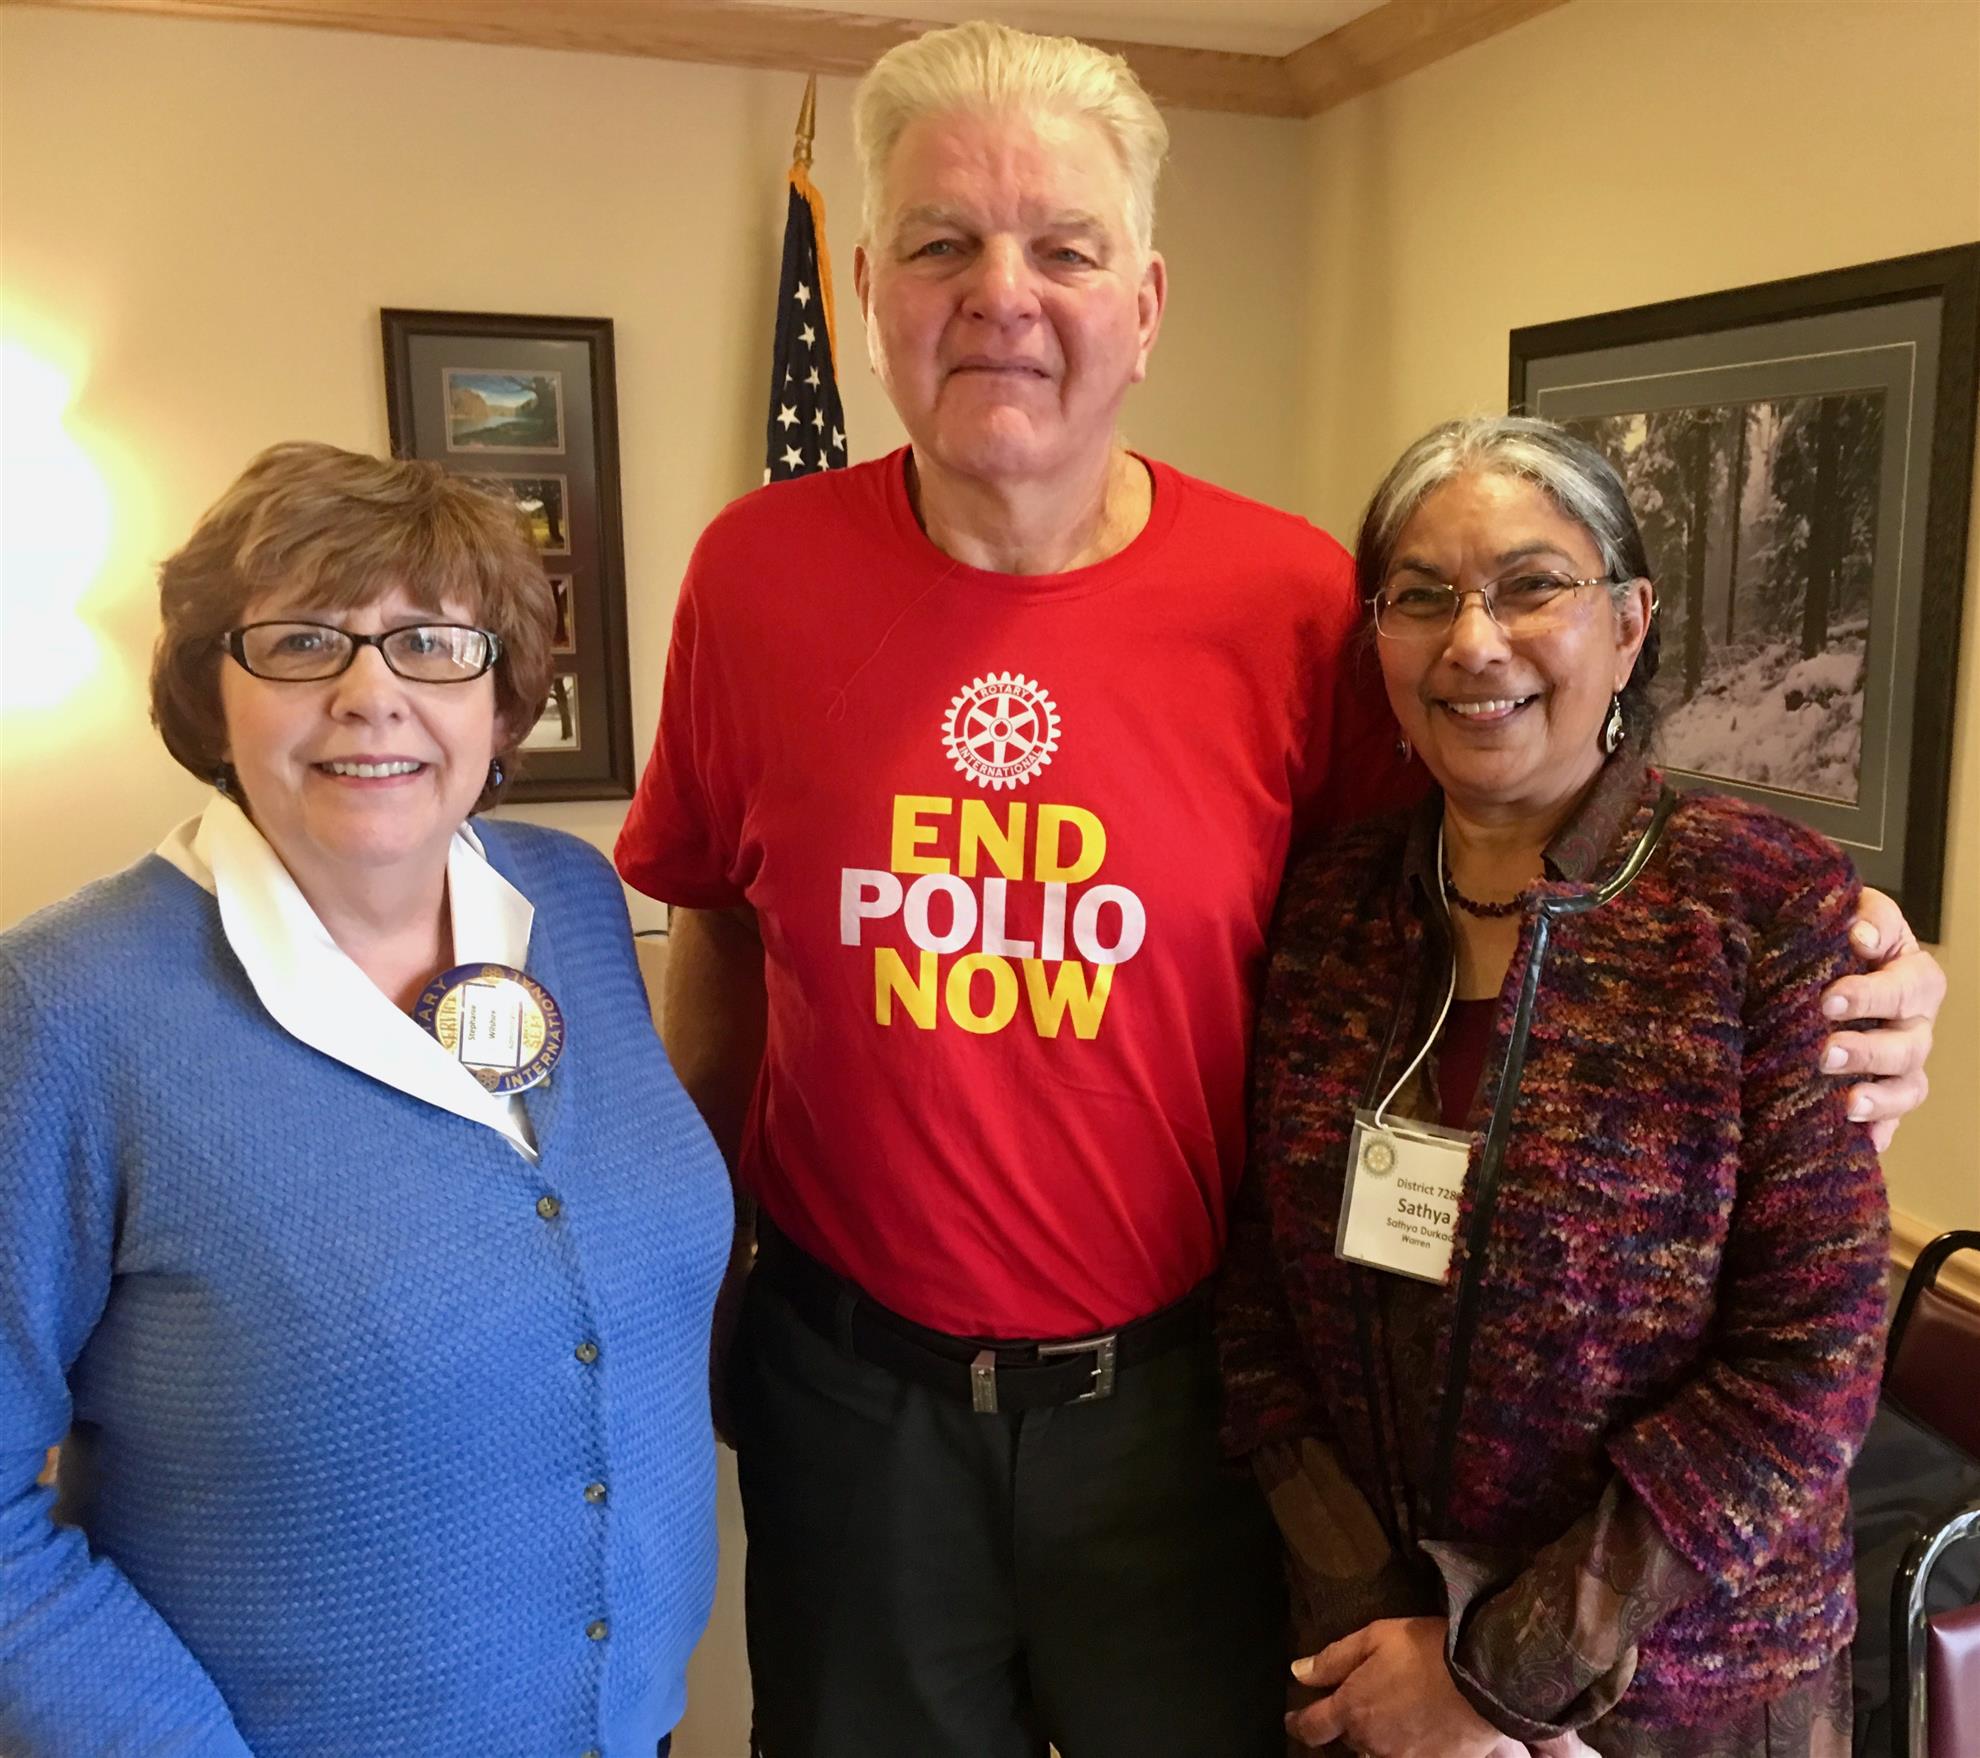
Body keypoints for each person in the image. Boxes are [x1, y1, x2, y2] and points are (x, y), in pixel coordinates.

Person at [613, 22, 1940, 1757]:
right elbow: (714, 921)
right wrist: (691, 1261)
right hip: (858, 1401)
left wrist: (1856, 957)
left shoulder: (1292, 600)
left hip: (1179, 1421)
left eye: (1064, 247)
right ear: (867, 289)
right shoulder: (752, 576)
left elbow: (1494, 852)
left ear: (1146, 303)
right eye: (941, 242)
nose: (1002, 294)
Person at [0, 443, 731, 1758]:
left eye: (432, 644)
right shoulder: (64, 1006)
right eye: (301, 642)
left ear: (500, 696)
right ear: (208, 691)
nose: (369, 694)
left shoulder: (571, 900)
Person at [1217, 416, 1890, 1758]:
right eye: (1422, 597)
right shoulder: (1330, 909)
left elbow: (1808, 1364)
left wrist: (1499, 1671)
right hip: (1368, 1672)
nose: (1474, 643)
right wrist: (1376, 1620)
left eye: (1532, 585)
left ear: (1629, 626)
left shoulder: (1762, 908)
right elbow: (1258, 1302)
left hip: (1681, 1696)